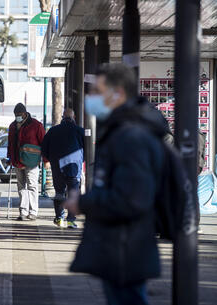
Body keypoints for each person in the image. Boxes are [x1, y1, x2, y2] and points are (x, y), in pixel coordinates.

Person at [65, 63, 169, 305]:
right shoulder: (123, 131)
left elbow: (131, 198)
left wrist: (82, 202)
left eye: (97, 92)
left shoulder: (130, 136)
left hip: (126, 248)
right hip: (121, 247)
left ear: (118, 93)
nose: (91, 98)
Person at [41, 108, 84, 229]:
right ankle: (71, 220)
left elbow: (44, 148)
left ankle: (59, 218)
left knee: (59, 192)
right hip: (74, 168)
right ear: (73, 117)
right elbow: (87, 149)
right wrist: (81, 160)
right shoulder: (79, 131)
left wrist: (52, 160)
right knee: (73, 194)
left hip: (57, 167)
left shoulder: (53, 131)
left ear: (62, 117)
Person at [7, 103, 46, 221]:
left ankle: (33, 211)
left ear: (25, 113)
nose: (17, 116)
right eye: (15, 114)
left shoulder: (36, 125)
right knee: (21, 187)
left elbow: (44, 143)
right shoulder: (13, 126)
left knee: (32, 186)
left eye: (19, 114)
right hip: (17, 161)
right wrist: (9, 158)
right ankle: (23, 212)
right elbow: (10, 144)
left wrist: (46, 160)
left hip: (32, 162)